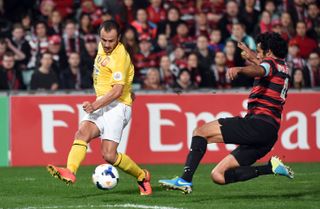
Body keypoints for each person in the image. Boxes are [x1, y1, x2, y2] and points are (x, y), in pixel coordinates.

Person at [159, 32, 294, 194]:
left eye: (259, 51)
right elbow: (262, 63)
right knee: (218, 175)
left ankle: (185, 180)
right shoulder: (283, 66)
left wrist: (241, 69)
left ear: (269, 52)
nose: (257, 54)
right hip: (269, 134)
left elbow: (261, 69)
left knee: (200, 132)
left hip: (257, 124)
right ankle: (270, 168)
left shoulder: (269, 64)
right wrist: (251, 55)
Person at [47, 20, 152, 196]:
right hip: (103, 101)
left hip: (118, 106)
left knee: (109, 155)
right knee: (82, 133)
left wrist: (95, 105)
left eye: (111, 41)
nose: (107, 44)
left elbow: (117, 90)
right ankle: (70, 171)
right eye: (104, 40)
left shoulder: (120, 57)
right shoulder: (102, 46)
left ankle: (142, 176)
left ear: (119, 38)